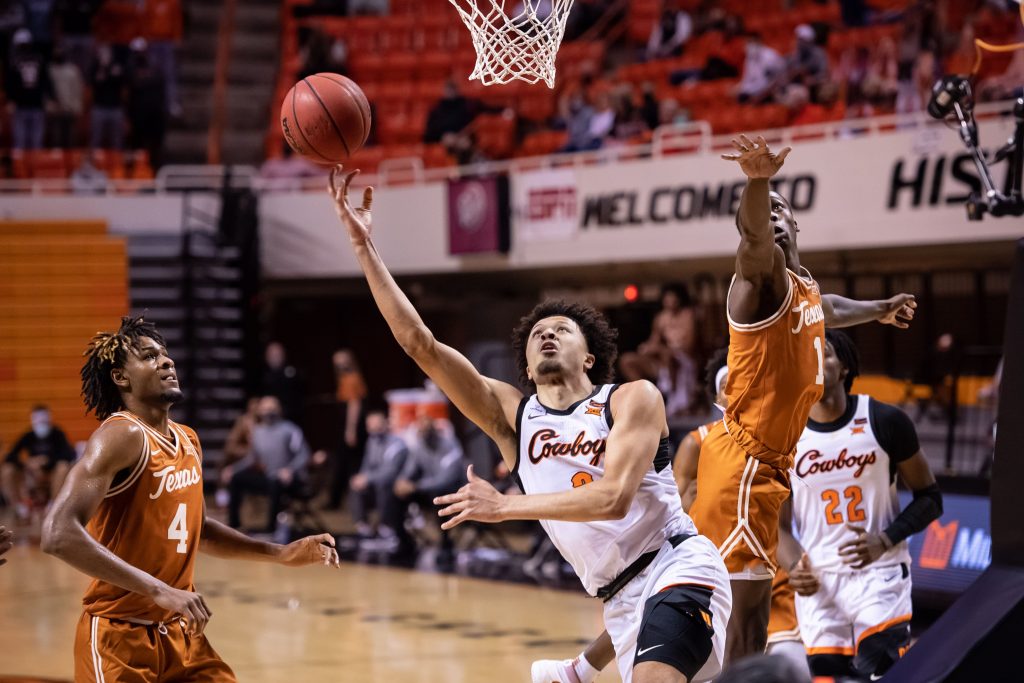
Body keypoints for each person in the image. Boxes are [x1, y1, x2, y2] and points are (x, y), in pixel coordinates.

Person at [329, 167, 733, 683]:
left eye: (562, 330)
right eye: (537, 332)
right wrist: (365, 247)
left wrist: (505, 507)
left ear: (590, 357)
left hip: (679, 568)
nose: (547, 335)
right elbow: (420, 344)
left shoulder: (632, 399)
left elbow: (613, 499)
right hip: (618, 603)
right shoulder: (515, 418)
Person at [686, 134, 917, 664]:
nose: (772, 216)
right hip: (743, 462)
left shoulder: (802, 286)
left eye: (781, 208)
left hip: (766, 465)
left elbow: (826, 307)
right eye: (763, 214)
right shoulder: (757, 280)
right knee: (745, 628)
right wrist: (758, 182)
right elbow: (752, 243)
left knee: (750, 623)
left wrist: (880, 307)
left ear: (798, 224)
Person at [41, 315, 338, 682]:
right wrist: (160, 590)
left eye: (166, 355)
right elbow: (57, 533)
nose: (167, 362)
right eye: (149, 357)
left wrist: (278, 553)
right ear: (121, 377)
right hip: (119, 637)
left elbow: (197, 529)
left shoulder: (187, 439)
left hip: (181, 635)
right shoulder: (120, 436)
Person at [535, 350, 809, 683]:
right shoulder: (699, 441)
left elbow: (781, 515)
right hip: (701, 547)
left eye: (745, 382)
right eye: (728, 384)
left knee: (739, 649)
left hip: (753, 553)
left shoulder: (773, 443)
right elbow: (668, 500)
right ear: (718, 396)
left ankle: (579, 669)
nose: (736, 390)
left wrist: (795, 561)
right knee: (661, 606)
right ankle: (581, 667)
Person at [781, 330, 941, 680]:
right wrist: (793, 566)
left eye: (824, 353)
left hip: (879, 575)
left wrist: (884, 539)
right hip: (819, 581)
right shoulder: (786, 436)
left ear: (844, 368)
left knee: (884, 673)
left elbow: (931, 499)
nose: (815, 363)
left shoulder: (885, 420)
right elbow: (778, 525)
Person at [221, 396, 311, 533]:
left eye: (272, 408)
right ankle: (234, 525)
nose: (268, 412)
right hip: (269, 477)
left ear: (278, 410)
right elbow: (252, 459)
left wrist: (290, 470)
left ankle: (271, 529)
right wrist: (233, 469)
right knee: (237, 478)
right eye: (265, 409)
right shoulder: (258, 432)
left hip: (290, 479)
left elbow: (304, 454)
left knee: (276, 482)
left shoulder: (290, 430)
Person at [391, 413, 466, 568]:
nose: (423, 435)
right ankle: (404, 541)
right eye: (421, 431)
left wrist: (416, 486)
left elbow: (445, 479)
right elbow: (410, 470)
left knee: (440, 496)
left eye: (426, 431)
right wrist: (402, 481)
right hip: (426, 490)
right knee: (396, 495)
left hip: (453, 491)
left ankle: (446, 545)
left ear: (434, 431)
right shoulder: (419, 446)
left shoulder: (450, 446)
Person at [621, 283, 701, 418]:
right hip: (663, 360)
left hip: (684, 360)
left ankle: (672, 395)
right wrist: (646, 348)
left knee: (667, 354)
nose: (670, 301)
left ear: (679, 299)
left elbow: (690, 346)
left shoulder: (688, 315)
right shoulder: (661, 318)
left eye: (673, 298)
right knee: (627, 360)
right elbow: (654, 341)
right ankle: (645, 398)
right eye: (667, 298)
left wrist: (665, 349)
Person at [2, 405, 76, 519]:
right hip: (31, 474)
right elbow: (10, 456)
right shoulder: (28, 436)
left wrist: (46, 461)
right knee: (8, 470)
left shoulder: (57, 434)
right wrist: (27, 463)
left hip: (51, 473)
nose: (41, 422)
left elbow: (70, 454)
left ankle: (53, 504)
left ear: (49, 418)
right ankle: (19, 507)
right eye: (38, 418)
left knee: (63, 467)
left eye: (44, 418)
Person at [348, 407, 409, 540]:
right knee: (355, 485)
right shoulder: (371, 442)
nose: (374, 428)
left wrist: (367, 478)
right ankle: (363, 526)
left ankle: (386, 527)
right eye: (370, 425)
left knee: (383, 484)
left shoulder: (397, 444)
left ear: (385, 423)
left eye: (377, 424)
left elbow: (391, 472)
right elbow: (366, 466)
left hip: (394, 486)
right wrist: (361, 478)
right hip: (373, 484)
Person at [327, 348, 367, 509]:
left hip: (353, 428)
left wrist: (350, 430)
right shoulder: (344, 378)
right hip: (349, 427)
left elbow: (354, 405)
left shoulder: (351, 378)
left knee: (345, 464)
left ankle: (340, 501)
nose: (339, 364)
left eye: (342, 361)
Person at [6, 29, 50, 150]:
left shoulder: (14, 61)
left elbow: (10, 83)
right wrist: (47, 97)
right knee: (36, 141)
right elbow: (46, 81)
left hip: (21, 104)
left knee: (20, 141)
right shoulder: (40, 59)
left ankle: (19, 168)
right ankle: (36, 167)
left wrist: (11, 99)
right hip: (36, 103)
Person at [260, 341, 303, 423]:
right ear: (266, 356)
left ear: (284, 355)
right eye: (272, 355)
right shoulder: (262, 375)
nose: (275, 357)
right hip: (267, 423)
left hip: (289, 417)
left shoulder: (291, 373)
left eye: (277, 354)